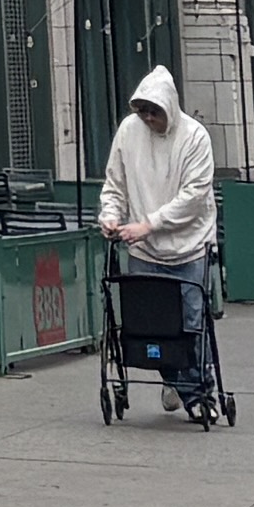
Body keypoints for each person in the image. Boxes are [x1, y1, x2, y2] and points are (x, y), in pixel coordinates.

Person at [99, 63, 220, 401]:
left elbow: (193, 196)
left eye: (155, 112)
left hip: (189, 247)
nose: (149, 118)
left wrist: (148, 224)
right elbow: (116, 183)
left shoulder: (194, 136)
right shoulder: (129, 131)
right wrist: (110, 217)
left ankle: (198, 390)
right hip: (145, 249)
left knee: (192, 323)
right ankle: (178, 381)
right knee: (151, 325)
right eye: (143, 112)